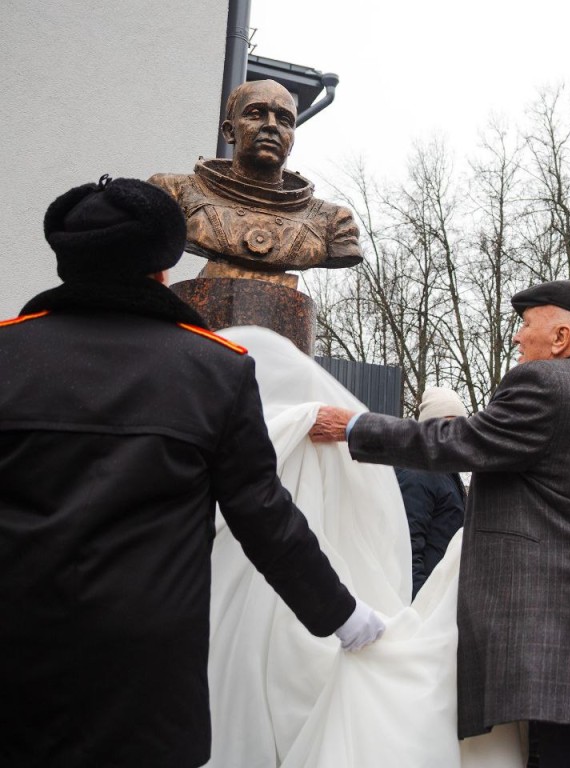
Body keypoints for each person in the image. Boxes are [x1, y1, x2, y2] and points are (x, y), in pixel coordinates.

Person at [0, 176, 384, 768]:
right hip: (146, 675)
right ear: (162, 267)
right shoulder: (214, 369)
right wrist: (347, 618)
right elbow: (263, 516)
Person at [309, 279, 570, 768]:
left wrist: (353, 426)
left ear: (561, 338)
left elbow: (458, 441)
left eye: (526, 325)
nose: (518, 338)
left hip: (563, 635)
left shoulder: (547, 384)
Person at [149, 79, 362, 277]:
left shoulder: (333, 222)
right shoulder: (172, 193)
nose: (271, 125)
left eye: (284, 119)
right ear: (229, 131)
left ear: (292, 142)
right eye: (255, 113)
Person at [397, 386, 468, 596]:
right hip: (425, 600)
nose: (456, 434)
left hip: (440, 594)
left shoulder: (447, 472)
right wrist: (421, 606)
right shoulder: (417, 474)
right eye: (447, 425)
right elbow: (407, 549)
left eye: (460, 426)